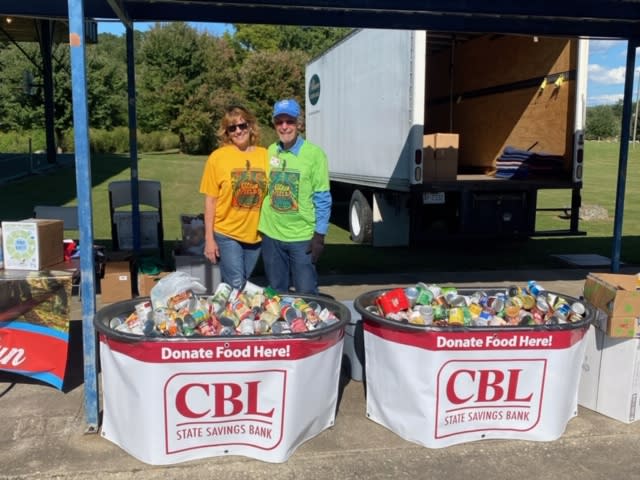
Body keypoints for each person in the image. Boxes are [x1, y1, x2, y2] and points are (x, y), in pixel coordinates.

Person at [258, 98, 332, 295]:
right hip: (272, 235)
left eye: (289, 121)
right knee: (276, 293)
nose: (284, 127)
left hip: (302, 237)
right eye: (279, 122)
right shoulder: (270, 151)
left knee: (306, 293)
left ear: (298, 124)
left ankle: (311, 326)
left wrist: (320, 236)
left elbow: (323, 198)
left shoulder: (315, 155)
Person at [199, 105, 268, 290]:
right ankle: (233, 316)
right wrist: (209, 239)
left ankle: (223, 313)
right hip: (226, 233)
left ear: (250, 126)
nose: (238, 131)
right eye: (232, 128)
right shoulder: (217, 157)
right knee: (237, 284)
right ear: (227, 132)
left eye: (242, 125)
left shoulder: (266, 155)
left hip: (255, 235)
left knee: (238, 283)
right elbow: (210, 201)